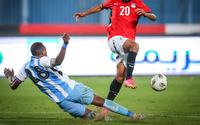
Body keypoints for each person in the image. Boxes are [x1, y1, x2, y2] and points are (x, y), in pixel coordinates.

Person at [4, 33, 144, 121]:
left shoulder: (25, 67)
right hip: (73, 89)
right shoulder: (43, 60)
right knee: (102, 102)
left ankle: (107, 120)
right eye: (45, 50)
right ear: (43, 51)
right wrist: (65, 44)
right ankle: (133, 116)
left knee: (95, 118)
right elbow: (57, 61)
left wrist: (10, 76)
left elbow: (13, 86)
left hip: (62, 102)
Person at [73, 0, 157, 116]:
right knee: (135, 46)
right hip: (115, 39)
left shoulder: (138, 3)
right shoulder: (113, 0)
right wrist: (84, 14)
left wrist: (146, 14)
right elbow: (100, 7)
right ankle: (130, 78)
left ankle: (105, 109)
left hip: (126, 44)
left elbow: (154, 17)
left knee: (119, 77)